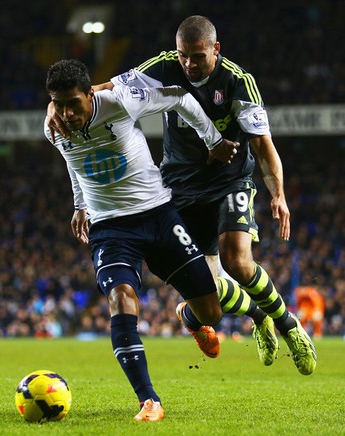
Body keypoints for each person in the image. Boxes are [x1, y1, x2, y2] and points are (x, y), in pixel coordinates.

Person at [47, 15, 316, 374]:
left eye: (198, 56)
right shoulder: (162, 66)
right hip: (179, 186)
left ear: (215, 50)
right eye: (183, 56)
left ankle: (289, 327)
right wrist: (57, 105)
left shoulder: (238, 83)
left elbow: (264, 146)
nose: (189, 64)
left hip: (229, 180)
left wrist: (278, 195)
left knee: (237, 261)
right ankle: (255, 316)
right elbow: (104, 87)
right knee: (210, 288)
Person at [44, 59, 241, 421]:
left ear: (91, 94)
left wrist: (212, 140)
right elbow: (75, 161)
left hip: (158, 216)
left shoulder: (122, 101)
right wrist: (80, 205)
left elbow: (179, 96)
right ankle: (148, 400)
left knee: (212, 311)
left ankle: (191, 319)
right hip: (111, 229)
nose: (67, 113)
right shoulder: (53, 126)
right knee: (121, 298)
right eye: (58, 104)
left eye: (74, 103)